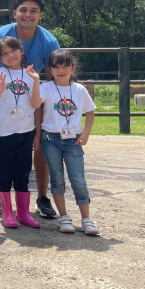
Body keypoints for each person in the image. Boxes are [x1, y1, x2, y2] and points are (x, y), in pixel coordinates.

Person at [0, 0, 60, 219]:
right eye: (23, 10)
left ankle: (42, 197)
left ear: (41, 15)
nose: (28, 14)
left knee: (41, 142)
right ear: (15, 13)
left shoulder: (49, 41)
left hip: (33, 93)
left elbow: (52, 77)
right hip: (2, 95)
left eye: (34, 11)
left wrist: (44, 110)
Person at [0, 37, 43, 228]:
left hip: (25, 130)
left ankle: (23, 213)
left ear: (21, 51)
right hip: (2, 132)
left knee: (23, 173)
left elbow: (36, 104)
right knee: (4, 173)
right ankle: (7, 213)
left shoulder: (30, 75)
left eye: (13, 51)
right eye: (5, 53)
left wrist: (36, 81)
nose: (10, 56)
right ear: (0, 57)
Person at [39, 50, 99, 235]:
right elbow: (34, 104)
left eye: (65, 66)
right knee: (57, 178)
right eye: (56, 67)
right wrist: (33, 80)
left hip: (73, 139)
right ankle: (64, 216)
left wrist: (86, 133)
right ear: (50, 69)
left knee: (78, 179)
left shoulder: (79, 89)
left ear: (73, 68)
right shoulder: (46, 88)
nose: (61, 70)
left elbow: (90, 112)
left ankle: (86, 218)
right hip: (50, 139)